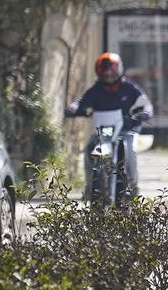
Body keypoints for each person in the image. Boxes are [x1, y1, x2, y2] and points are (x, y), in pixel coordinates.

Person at [65, 52, 153, 198]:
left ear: (119, 69)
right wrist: (73, 108)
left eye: (111, 70)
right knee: (89, 149)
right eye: (104, 71)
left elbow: (145, 103)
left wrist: (145, 112)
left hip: (125, 130)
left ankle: (132, 185)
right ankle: (90, 186)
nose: (108, 74)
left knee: (130, 151)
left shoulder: (129, 87)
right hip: (104, 133)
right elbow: (82, 101)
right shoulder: (96, 89)